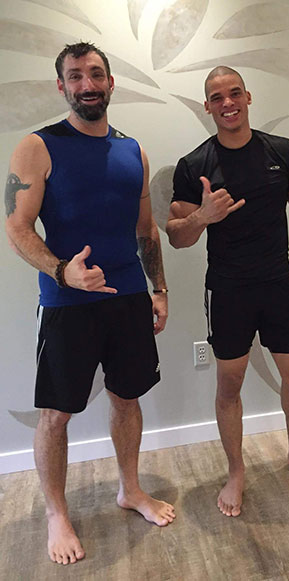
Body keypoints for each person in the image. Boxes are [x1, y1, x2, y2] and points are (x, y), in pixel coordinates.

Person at [5, 42, 175, 565]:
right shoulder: (38, 145)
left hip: (127, 298)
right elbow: (16, 226)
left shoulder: (134, 150)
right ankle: (57, 513)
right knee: (56, 414)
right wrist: (63, 270)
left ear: (110, 83)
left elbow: (145, 230)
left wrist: (160, 289)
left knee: (127, 398)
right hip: (66, 303)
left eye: (96, 74)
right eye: (75, 76)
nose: (87, 84)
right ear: (62, 86)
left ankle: (130, 489)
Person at [166, 66, 289, 517]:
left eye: (234, 93)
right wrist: (203, 216)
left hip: (279, 283)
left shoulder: (280, 151)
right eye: (217, 97)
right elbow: (176, 236)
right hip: (228, 290)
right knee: (230, 382)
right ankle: (236, 470)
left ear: (248, 96)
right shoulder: (195, 166)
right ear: (207, 106)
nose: (227, 103)